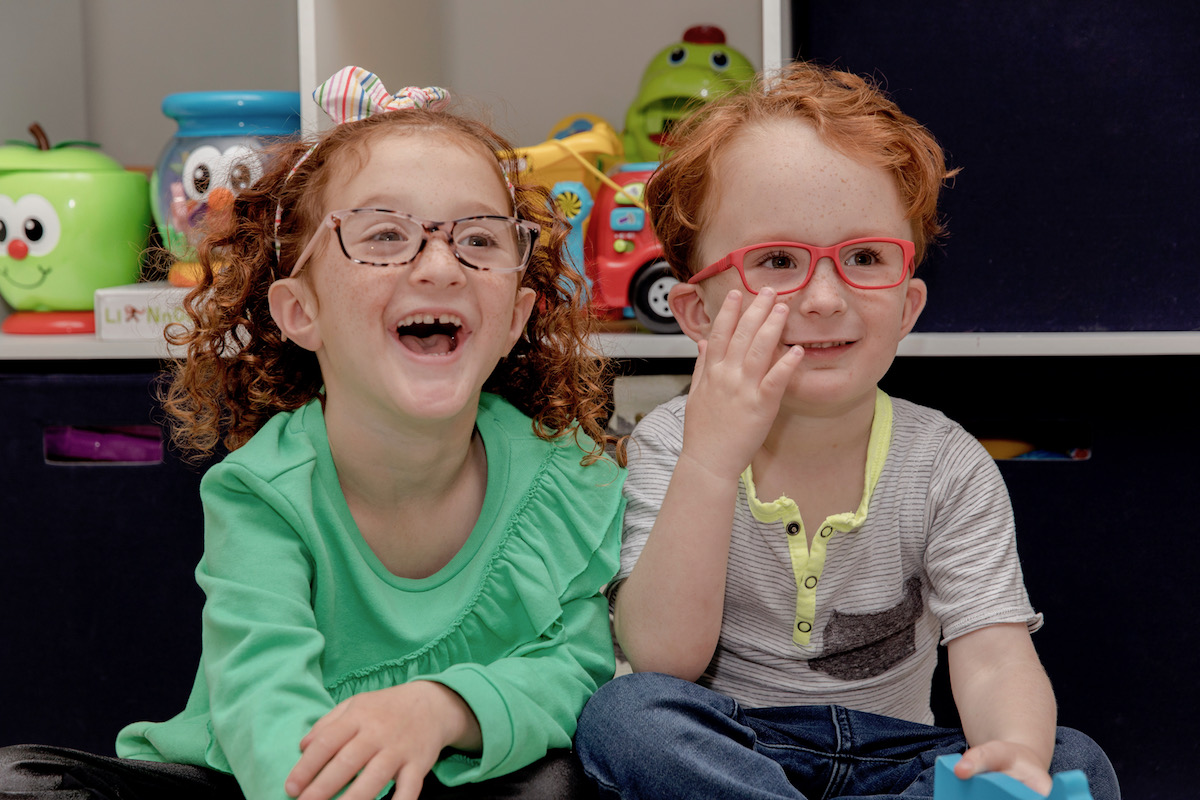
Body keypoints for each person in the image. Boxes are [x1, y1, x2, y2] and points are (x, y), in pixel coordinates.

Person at [0, 66, 624, 800]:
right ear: (300, 312)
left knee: (558, 781)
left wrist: (443, 708)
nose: (439, 265)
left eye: (479, 241)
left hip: (456, 769)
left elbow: (572, 671)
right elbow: (263, 699)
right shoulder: (262, 489)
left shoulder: (566, 480)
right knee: (20, 778)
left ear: (515, 318)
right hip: (261, 777)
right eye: (384, 235)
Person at [572, 61, 1120, 800]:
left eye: (863, 258)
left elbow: (994, 659)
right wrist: (711, 458)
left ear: (907, 305)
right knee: (624, 717)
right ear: (697, 314)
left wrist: (1014, 756)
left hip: (897, 763)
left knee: (1073, 760)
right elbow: (665, 658)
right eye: (776, 261)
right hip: (736, 750)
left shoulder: (947, 463)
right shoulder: (672, 441)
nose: (825, 298)